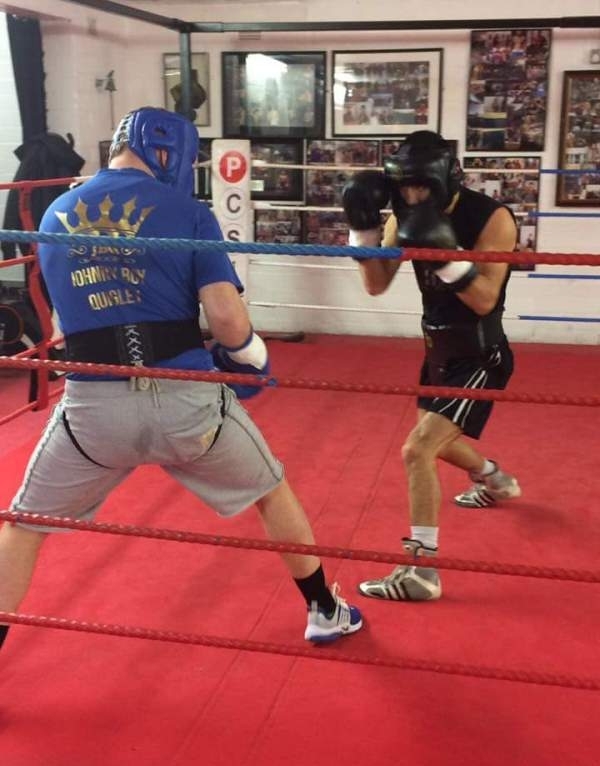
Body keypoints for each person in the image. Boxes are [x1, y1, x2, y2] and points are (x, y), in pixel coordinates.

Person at [0, 107, 362, 649]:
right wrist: (249, 358)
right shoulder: (187, 212)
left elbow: (60, 318)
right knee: (271, 489)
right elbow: (227, 321)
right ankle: (324, 610)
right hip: (187, 406)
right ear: (170, 153)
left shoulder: (54, 213)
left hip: (94, 410)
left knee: (24, 524)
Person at [342, 130, 520, 602]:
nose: (412, 196)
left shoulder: (492, 218)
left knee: (416, 450)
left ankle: (423, 571)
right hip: (437, 350)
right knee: (438, 445)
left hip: (480, 355)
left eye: (421, 186)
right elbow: (376, 283)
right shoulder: (403, 214)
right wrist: (363, 229)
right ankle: (495, 479)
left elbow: (484, 299)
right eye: (404, 187)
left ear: (445, 179)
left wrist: (445, 254)